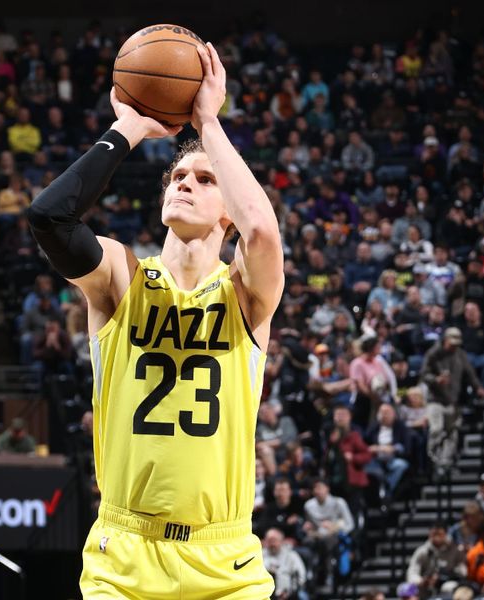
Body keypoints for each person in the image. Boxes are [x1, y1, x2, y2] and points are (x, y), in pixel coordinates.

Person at [27, 43, 283, 597]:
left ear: (227, 215)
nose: (186, 182)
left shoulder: (246, 293)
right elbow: (49, 217)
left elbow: (262, 229)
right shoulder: (121, 277)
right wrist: (130, 130)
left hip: (224, 561)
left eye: (205, 179)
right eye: (179, 176)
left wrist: (208, 122)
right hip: (124, 555)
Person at [420, 328, 484, 473]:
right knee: (436, 429)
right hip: (435, 400)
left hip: (452, 401)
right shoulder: (433, 354)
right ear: (445, 339)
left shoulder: (460, 355)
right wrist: (436, 380)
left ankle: (445, 462)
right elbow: (424, 374)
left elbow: (470, 373)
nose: (454, 346)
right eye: (452, 343)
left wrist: (478, 387)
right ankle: (433, 459)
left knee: (452, 434)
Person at [406, 522, 467, 597]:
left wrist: (445, 576)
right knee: (410, 589)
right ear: (429, 534)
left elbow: (462, 572)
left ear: (445, 534)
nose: (437, 537)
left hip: (448, 582)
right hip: (426, 585)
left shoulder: (455, 550)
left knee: (449, 587)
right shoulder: (422, 551)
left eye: (440, 534)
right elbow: (412, 572)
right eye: (434, 534)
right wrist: (421, 581)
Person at [262, 527, 309, 600]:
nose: (272, 544)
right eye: (269, 541)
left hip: (288, 595)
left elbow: (301, 577)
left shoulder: (291, 556)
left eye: (274, 540)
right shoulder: (259, 555)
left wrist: (290, 591)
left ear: (281, 541)